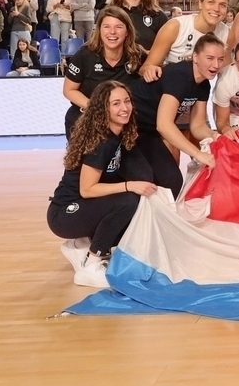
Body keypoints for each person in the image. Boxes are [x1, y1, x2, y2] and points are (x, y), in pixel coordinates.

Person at [47, 81, 157, 288]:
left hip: (80, 208)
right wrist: (129, 185)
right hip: (64, 214)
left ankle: (79, 245)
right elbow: (87, 190)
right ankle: (92, 263)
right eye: (115, 104)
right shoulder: (101, 142)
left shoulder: (117, 136)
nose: (124, 108)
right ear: (103, 109)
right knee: (127, 201)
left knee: (132, 201)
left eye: (126, 101)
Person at [129, 34, 225, 198]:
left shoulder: (204, 85)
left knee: (172, 183)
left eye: (220, 59)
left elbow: (198, 126)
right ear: (195, 57)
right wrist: (197, 154)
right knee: (146, 181)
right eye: (210, 58)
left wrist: (217, 136)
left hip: (147, 132)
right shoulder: (180, 75)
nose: (215, 65)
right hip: (127, 129)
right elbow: (164, 125)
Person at [63, 6, 145, 136]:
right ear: (99, 30)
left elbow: (154, 66)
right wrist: (98, 109)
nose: (112, 32)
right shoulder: (85, 55)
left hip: (124, 123)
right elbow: (69, 90)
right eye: (107, 26)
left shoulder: (137, 54)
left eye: (118, 27)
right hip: (86, 118)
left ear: (127, 31)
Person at [140, 0, 233, 82]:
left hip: (203, 93)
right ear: (200, 3)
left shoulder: (226, 33)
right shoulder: (175, 27)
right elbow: (145, 68)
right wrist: (151, 70)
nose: (216, 9)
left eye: (222, 5)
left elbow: (226, 76)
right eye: (211, 2)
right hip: (171, 88)